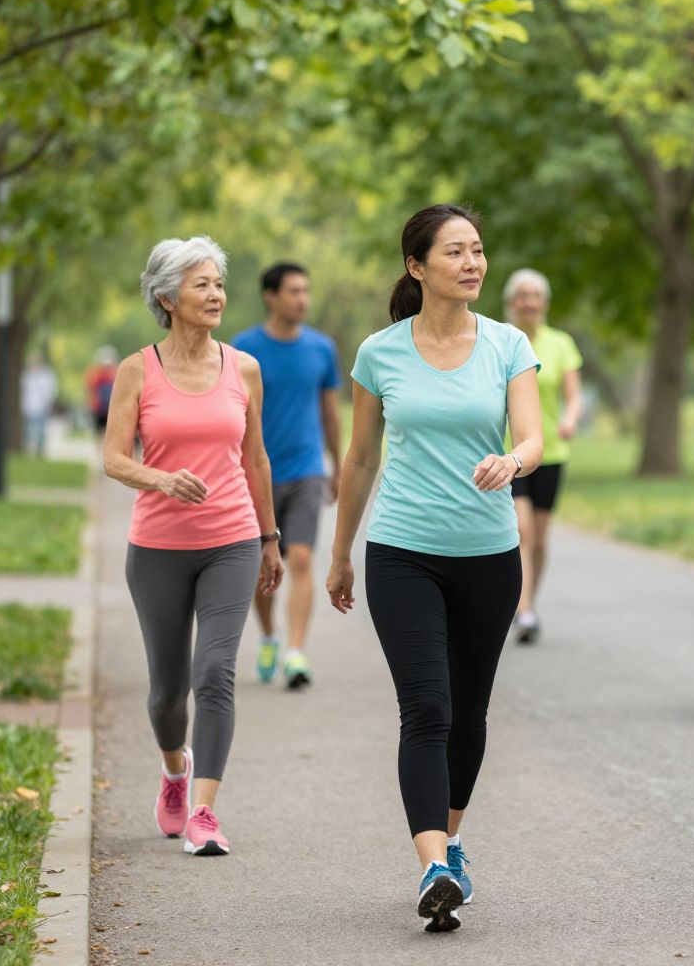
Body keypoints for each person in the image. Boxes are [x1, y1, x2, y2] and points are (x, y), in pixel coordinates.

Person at [326, 204, 541, 933]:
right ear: (417, 267)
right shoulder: (380, 353)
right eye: (456, 252)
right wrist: (339, 555)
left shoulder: (508, 344)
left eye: (479, 250)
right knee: (427, 708)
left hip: (488, 553)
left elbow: (534, 434)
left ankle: (450, 839)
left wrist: (513, 459)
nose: (474, 263)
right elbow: (359, 459)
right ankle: (433, 865)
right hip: (402, 551)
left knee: (470, 714)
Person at [103, 236, 284, 857]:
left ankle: (204, 811)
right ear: (166, 296)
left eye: (218, 284)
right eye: (201, 284)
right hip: (156, 546)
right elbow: (113, 458)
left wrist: (269, 538)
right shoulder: (138, 369)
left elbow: (255, 458)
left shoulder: (244, 368)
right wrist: (160, 478)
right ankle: (174, 773)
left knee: (215, 671)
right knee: (166, 693)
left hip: (230, 540)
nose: (215, 295)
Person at [233, 262, 343, 689]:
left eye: (306, 291)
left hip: (307, 471)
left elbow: (330, 412)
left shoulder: (322, 349)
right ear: (270, 296)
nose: (303, 300)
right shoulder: (243, 348)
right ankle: (269, 636)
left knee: (300, 559)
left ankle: (296, 652)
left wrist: (335, 462)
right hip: (256, 474)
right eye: (294, 291)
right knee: (264, 567)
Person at [503, 268, 583, 644]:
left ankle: (529, 602)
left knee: (541, 536)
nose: (529, 301)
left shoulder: (561, 344)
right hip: (512, 452)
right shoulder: (501, 339)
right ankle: (522, 610)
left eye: (536, 295)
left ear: (545, 303)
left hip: (552, 452)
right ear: (511, 302)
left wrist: (569, 419)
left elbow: (575, 395)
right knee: (523, 531)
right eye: (523, 295)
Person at [21, 354, 57, 459]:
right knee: (28, 431)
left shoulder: (45, 377)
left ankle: (39, 452)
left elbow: (49, 392)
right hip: (28, 408)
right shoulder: (26, 377)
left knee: (41, 431)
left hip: (41, 408)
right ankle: (28, 451)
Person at [86, 346, 118, 432]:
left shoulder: (114, 373)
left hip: (110, 406)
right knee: (99, 428)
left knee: (108, 428)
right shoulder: (97, 373)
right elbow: (90, 388)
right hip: (99, 406)